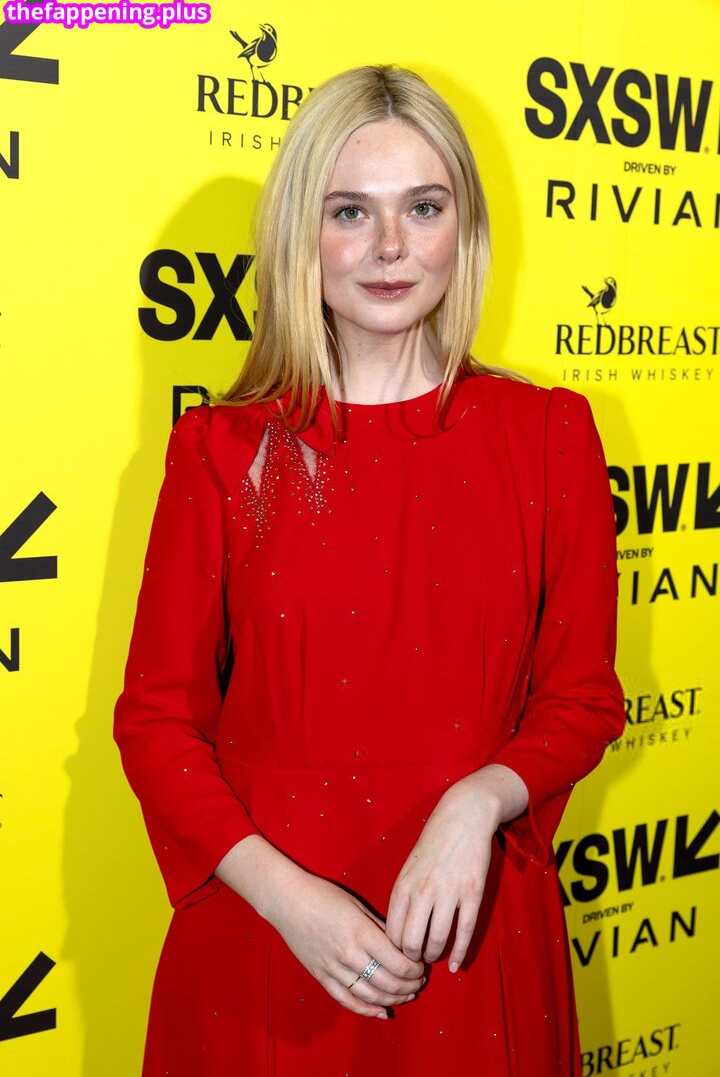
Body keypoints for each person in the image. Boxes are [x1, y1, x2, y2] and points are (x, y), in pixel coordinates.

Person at [114, 64, 625, 1076]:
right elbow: (156, 723)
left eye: (423, 207)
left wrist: (479, 802)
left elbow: (582, 700)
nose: (392, 246)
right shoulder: (221, 452)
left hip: (471, 936)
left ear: (463, 230)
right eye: (351, 211)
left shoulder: (549, 434)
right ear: (301, 235)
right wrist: (288, 900)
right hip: (268, 945)